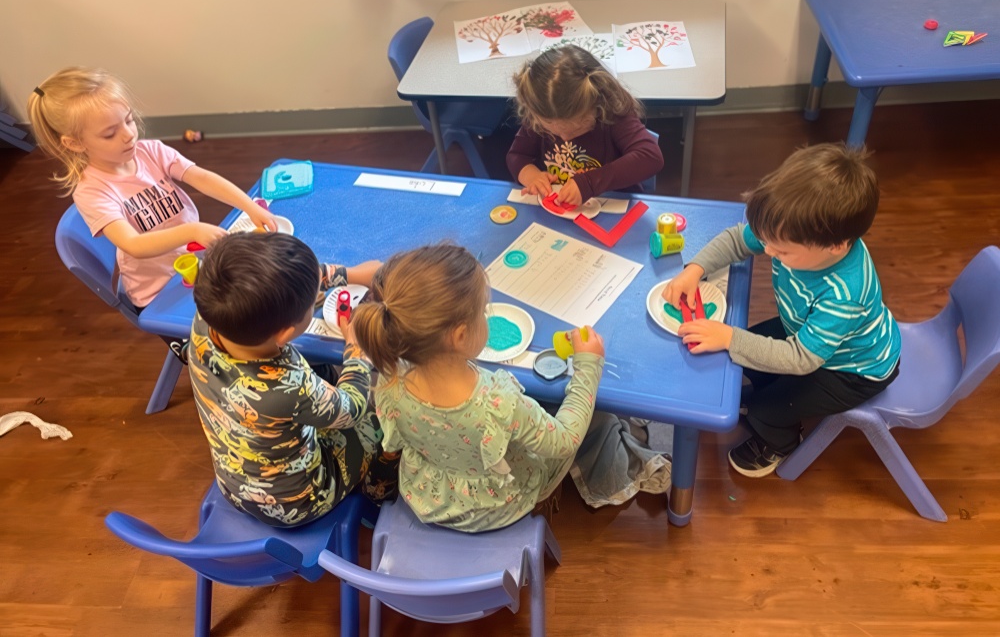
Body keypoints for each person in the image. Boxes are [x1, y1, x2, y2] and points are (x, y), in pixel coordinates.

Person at [351, 244, 671, 533]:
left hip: (429, 497)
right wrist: (588, 365)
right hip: (497, 506)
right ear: (460, 337)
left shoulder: (390, 381)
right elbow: (564, 441)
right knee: (588, 417)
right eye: (483, 313)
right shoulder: (497, 401)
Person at [663, 143, 901, 478]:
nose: (768, 250)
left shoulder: (844, 294)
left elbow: (801, 360)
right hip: (805, 335)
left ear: (837, 246)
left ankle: (780, 442)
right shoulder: (791, 231)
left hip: (852, 371)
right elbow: (737, 240)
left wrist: (731, 337)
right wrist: (695, 269)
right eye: (766, 240)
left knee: (765, 407)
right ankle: (774, 402)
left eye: (782, 251)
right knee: (747, 356)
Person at [187, 232, 398, 527]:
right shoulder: (287, 385)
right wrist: (355, 353)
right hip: (298, 501)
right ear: (286, 333)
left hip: (234, 484)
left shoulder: (205, 319)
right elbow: (351, 409)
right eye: (311, 301)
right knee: (387, 417)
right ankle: (377, 492)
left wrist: (349, 274)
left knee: (322, 372)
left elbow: (277, 283)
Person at [28, 66, 275, 309]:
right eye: (110, 134)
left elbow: (201, 178)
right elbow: (133, 244)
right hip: (159, 291)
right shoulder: (92, 191)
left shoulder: (151, 152)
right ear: (75, 143)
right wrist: (192, 231)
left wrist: (249, 206)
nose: (128, 135)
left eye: (129, 120)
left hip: (197, 266)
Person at [506, 45, 663, 207]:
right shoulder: (540, 112)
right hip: (559, 208)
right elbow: (517, 155)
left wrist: (589, 183)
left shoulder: (612, 112)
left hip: (612, 204)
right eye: (550, 128)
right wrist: (532, 176)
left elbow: (650, 157)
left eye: (576, 129)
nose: (564, 138)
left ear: (597, 106)